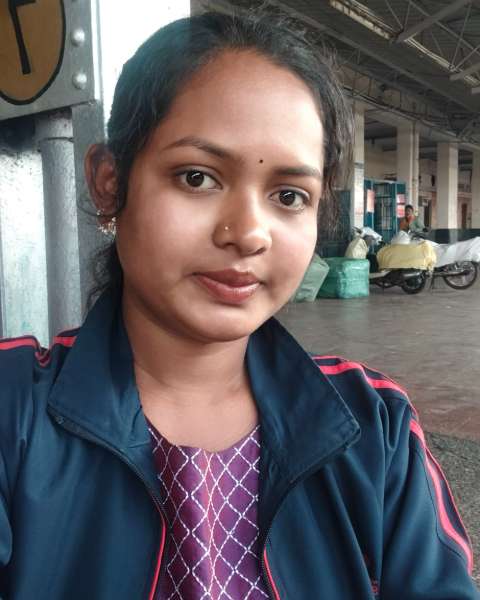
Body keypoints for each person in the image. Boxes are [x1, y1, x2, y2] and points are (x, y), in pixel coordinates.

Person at [0, 10, 478, 600]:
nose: (249, 233)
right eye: (197, 178)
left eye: (289, 195)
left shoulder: (374, 428)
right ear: (109, 182)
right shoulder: (12, 414)